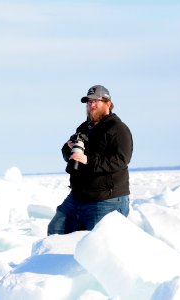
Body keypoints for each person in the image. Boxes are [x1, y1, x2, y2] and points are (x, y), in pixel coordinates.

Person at [48, 84, 133, 235]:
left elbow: (121, 159)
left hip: (106, 199)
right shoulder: (84, 128)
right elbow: (69, 154)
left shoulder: (118, 129)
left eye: (96, 101)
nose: (91, 105)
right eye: (89, 102)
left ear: (108, 103)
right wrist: (69, 149)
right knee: (56, 230)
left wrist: (88, 160)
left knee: (96, 247)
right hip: (78, 197)